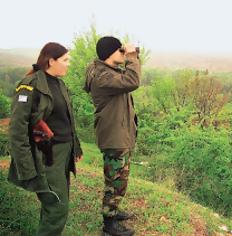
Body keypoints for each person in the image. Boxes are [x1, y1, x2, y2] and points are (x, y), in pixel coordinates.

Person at [8, 42, 83, 236]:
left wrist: (76, 147)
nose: (69, 64)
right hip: (47, 156)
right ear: (51, 61)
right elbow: (17, 130)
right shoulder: (30, 85)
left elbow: (67, 119)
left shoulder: (59, 83)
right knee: (57, 208)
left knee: (53, 205)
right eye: (65, 60)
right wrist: (26, 167)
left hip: (63, 154)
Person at [84, 36, 140, 236]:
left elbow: (125, 79)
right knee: (115, 181)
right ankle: (109, 225)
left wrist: (130, 56)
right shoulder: (103, 77)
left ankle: (113, 210)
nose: (123, 54)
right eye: (120, 51)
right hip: (114, 136)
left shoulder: (107, 72)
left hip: (118, 134)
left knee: (119, 179)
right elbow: (132, 81)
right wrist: (132, 56)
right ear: (109, 54)